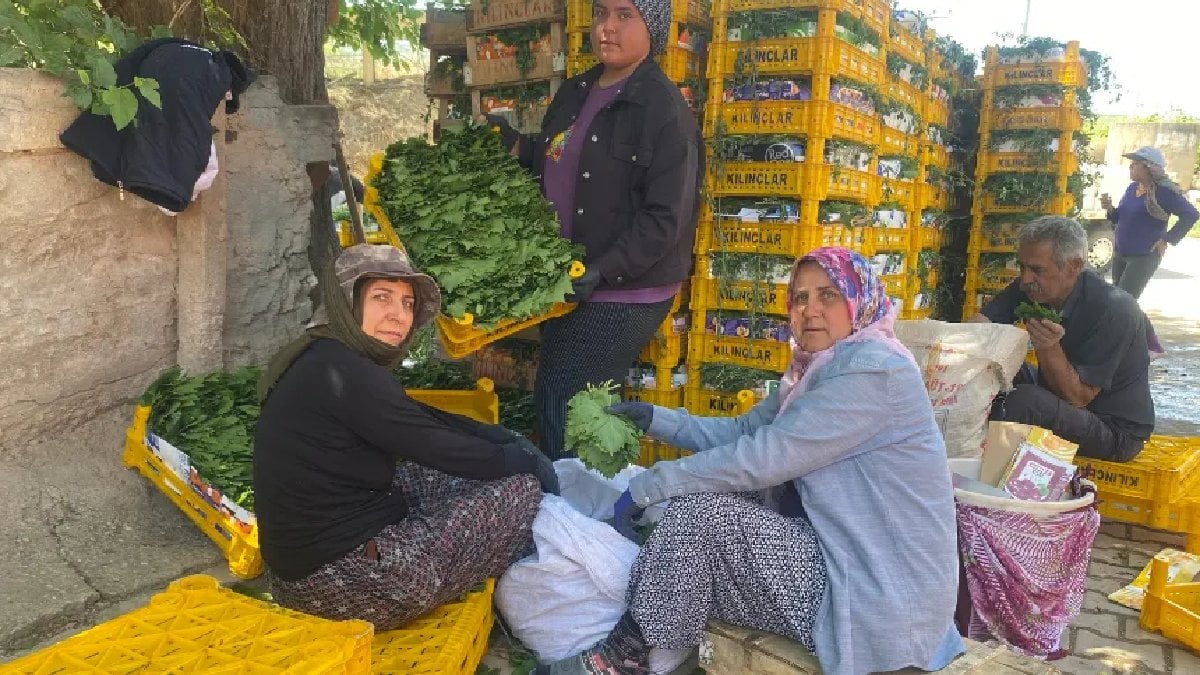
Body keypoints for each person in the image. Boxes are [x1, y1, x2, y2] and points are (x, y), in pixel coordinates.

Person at [538, 248, 964, 675]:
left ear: (859, 301)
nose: (810, 311)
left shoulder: (873, 372)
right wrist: (656, 418)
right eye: (799, 298)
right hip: (839, 555)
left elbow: (762, 459)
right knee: (690, 526)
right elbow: (744, 434)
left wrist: (650, 485)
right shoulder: (819, 369)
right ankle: (646, 647)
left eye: (828, 296)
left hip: (880, 587)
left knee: (699, 517)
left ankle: (625, 658)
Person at [253, 244, 559, 628]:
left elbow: (417, 418)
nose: (398, 316)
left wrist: (499, 436)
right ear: (347, 302)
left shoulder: (323, 357)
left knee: (462, 473)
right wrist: (527, 461)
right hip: (343, 586)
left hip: (300, 574)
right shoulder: (344, 373)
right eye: (382, 298)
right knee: (521, 489)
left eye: (407, 304)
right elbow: (437, 445)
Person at [486, 0, 701, 460]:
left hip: (623, 290)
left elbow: (665, 219)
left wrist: (601, 271)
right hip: (572, 280)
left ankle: (574, 515)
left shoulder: (662, 110)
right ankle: (577, 509)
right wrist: (518, 146)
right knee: (569, 403)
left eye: (625, 15)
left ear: (654, 27)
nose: (607, 27)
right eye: (602, 13)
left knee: (566, 405)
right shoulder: (576, 91)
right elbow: (557, 162)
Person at [967, 216, 1154, 462]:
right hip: (1057, 394)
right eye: (1022, 267)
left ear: (1074, 266)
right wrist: (955, 349)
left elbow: (1077, 397)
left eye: (1036, 269)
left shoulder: (1114, 309)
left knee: (1024, 402)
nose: (1025, 279)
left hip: (1112, 429)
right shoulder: (1033, 286)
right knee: (993, 365)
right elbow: (980, 326)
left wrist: (1048, 347)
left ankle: (982, 472)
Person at [1100, 146, 1198, 299]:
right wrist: (1110, 208)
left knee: (1124, 301)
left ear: (1149, 168)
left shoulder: (1163, 193)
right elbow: (1121, 216)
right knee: (1115, 301)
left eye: (1135, 163)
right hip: (1121, 252)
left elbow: (1191, 214)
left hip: (1142, 256)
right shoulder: (1132, 188)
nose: (1130, 166)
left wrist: (1167, 239)